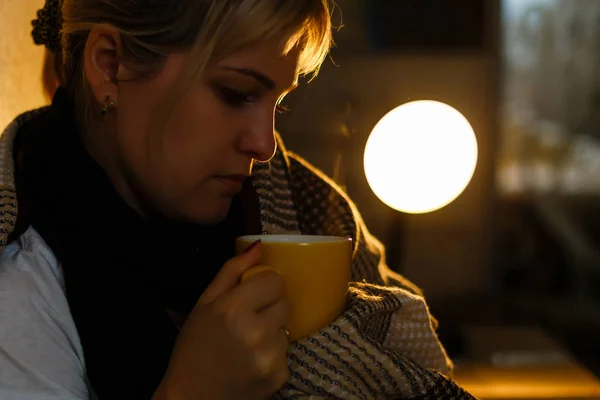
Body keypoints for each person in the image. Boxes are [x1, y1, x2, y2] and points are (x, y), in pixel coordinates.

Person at [0, 0, 475, 399]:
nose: (265, 145)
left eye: (278, 104)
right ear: (110, 66)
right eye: (237, 93)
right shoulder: (21, 276)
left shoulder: (311, 208)